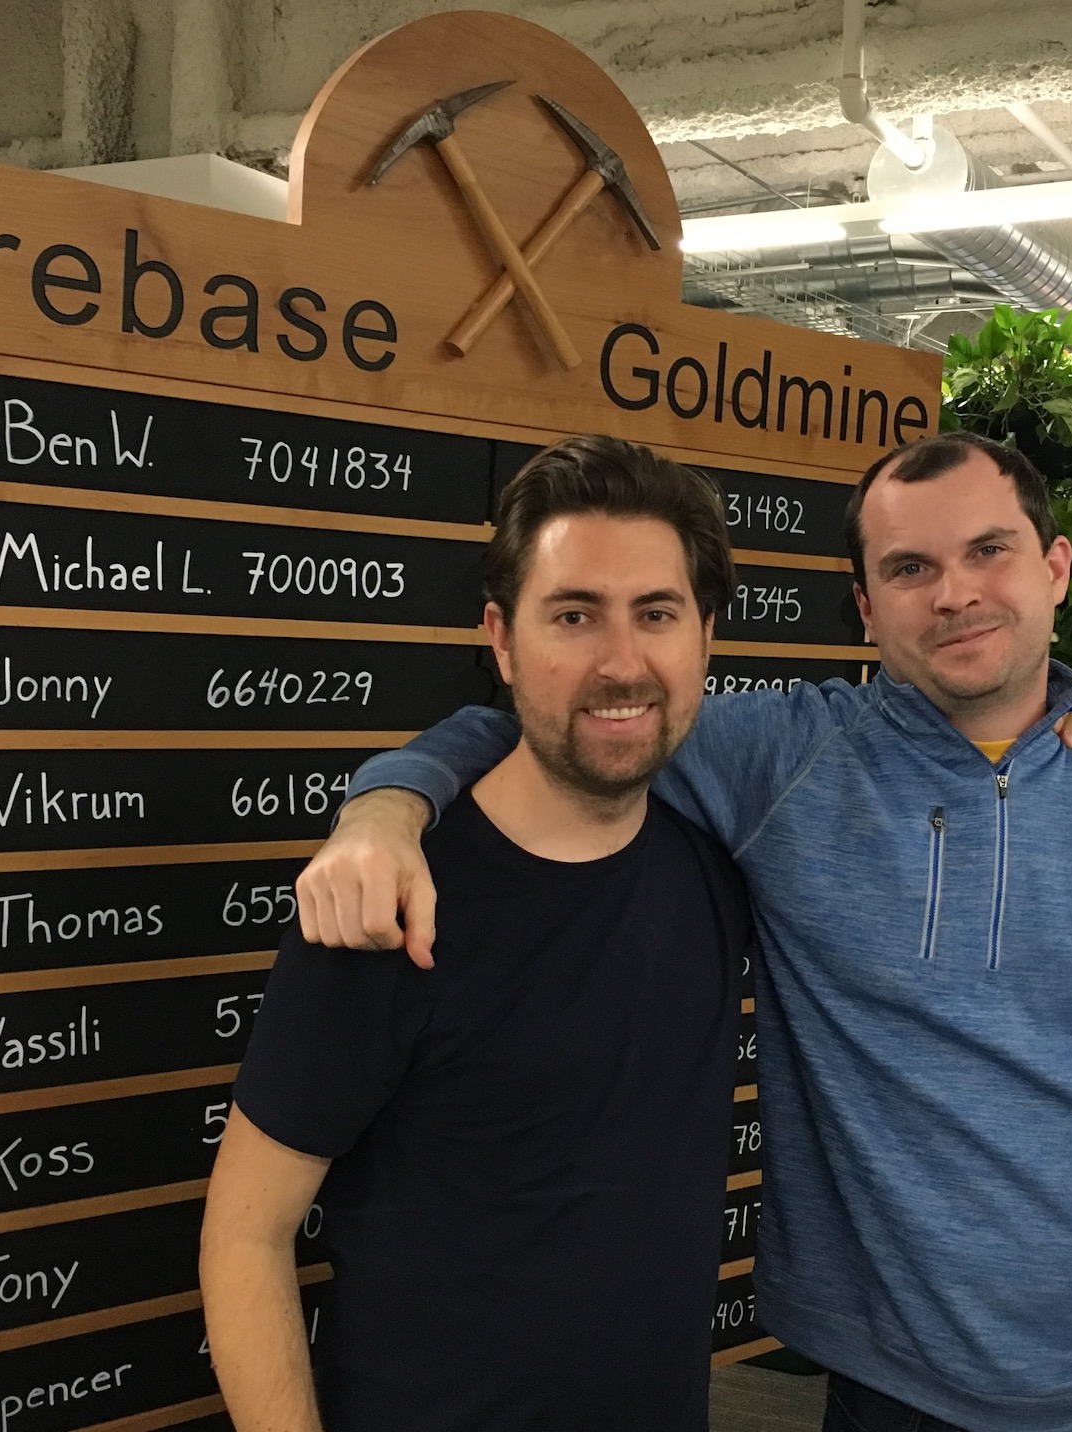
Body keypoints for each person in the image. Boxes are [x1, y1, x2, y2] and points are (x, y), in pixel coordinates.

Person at [301, 431, 1072, 1432]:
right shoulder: (784, 763)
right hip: (891, 1394)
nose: (957, 591)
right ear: (867, 607)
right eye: (911, 566)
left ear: (1054, 567)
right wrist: (388, 803)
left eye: (988, 551)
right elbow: (581, 712)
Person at [200, 435, 759, 1432]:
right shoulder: (385, 904)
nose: (622, 660)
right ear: (501, 639)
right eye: (574, 615)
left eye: (657, 614)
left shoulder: (717, 866)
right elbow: (245, 1236)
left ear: (704, 637)